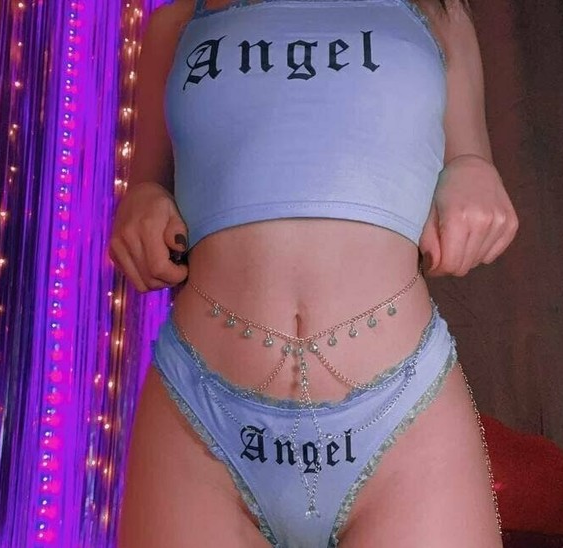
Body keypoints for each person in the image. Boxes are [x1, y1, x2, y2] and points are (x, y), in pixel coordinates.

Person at [110, 0, 516, 545]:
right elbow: (147, 185)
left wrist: (474, 178)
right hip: (201, 421)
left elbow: (472, 163)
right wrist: (141, 207)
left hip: (404, 422)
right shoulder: (176, 23)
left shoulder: (439, 13)